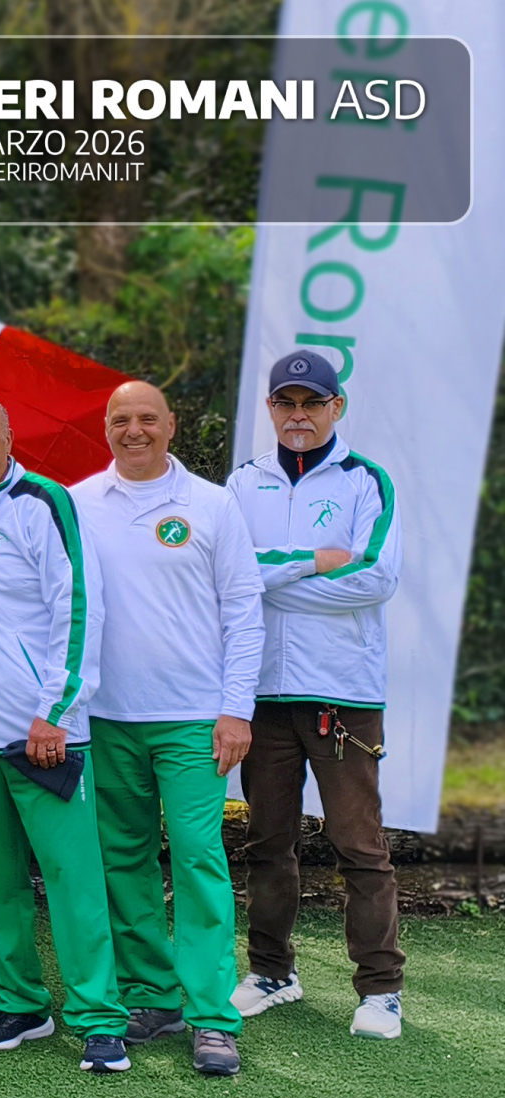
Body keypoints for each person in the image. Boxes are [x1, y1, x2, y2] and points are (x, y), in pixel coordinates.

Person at [0, 394, 129, 1075]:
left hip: (42, 734)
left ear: (9, 438)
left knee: (72, 878)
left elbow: (79, 605)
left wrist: (57, 711)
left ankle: (99, 1017)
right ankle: (21, 1003)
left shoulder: (43, 501)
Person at [72, 381, 262, 1077]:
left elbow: (244, 609)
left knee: (197, 859)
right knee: (122, 861)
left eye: (147, 418)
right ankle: (152, 996)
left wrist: (236, 709)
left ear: (171, 425)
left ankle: (213, 1015)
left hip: (193, 720)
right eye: (121, 420)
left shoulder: (213, 504)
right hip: (107, 717)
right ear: (106, 428)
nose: (134, 431)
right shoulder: (79, 502)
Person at [226, 349, 405, 1040]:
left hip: (342, 692)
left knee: (359, 843)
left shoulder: (366, 481)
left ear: (337, 407)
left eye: (312, 403)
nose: (298, 415)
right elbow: (225, 575)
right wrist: (310, 562)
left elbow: (374, 577)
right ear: (271, 408)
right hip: (261, 691)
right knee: (268, 841)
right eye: (286, 402)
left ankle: (381, 988)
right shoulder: (243, 481)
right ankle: (273, 972)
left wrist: (267, 580)